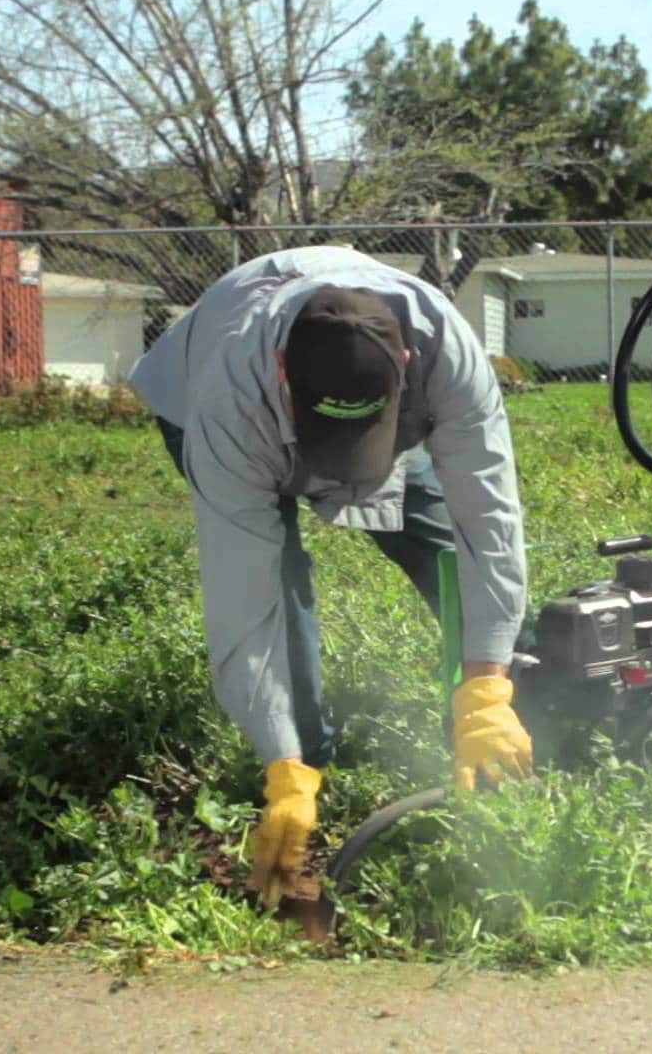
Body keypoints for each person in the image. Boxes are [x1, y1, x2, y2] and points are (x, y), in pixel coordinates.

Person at [127, 245, 534, 908]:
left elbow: (487, 527)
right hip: (211, 396)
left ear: (404, 365)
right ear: (285, 372)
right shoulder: (227, 397)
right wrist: (283, 766)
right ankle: (307, 764)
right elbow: (244, 598)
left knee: (436, 541)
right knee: (280, 576)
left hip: (387, 405)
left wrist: (487, 686)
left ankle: (525, 722)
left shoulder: (450, 360)